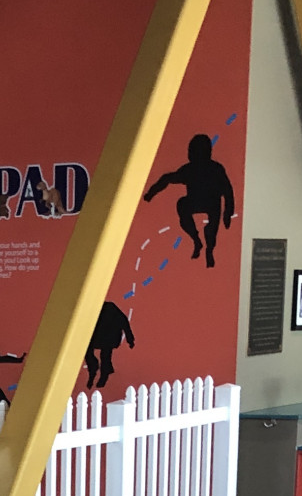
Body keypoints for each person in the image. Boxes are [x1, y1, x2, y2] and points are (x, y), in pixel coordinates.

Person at [144, 134, 236, 268]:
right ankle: (197, 240)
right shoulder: (191, 169)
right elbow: (167, 178)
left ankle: (209, 249)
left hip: (212, 203)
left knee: (213, 219)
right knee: (182, 204)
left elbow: (228, 191)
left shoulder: (215, 169)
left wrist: (227, 213)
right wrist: (150, 194)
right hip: (195, 201)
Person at [85, 301, 135, 390]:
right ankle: (95, 368)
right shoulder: (95, 310)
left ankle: (104, 373)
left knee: (105, 354)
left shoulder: (110, 309)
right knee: (92, 352)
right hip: (99, 337)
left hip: (109, 338)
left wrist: (130, 339)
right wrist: (130, 340)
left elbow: (124, 322)